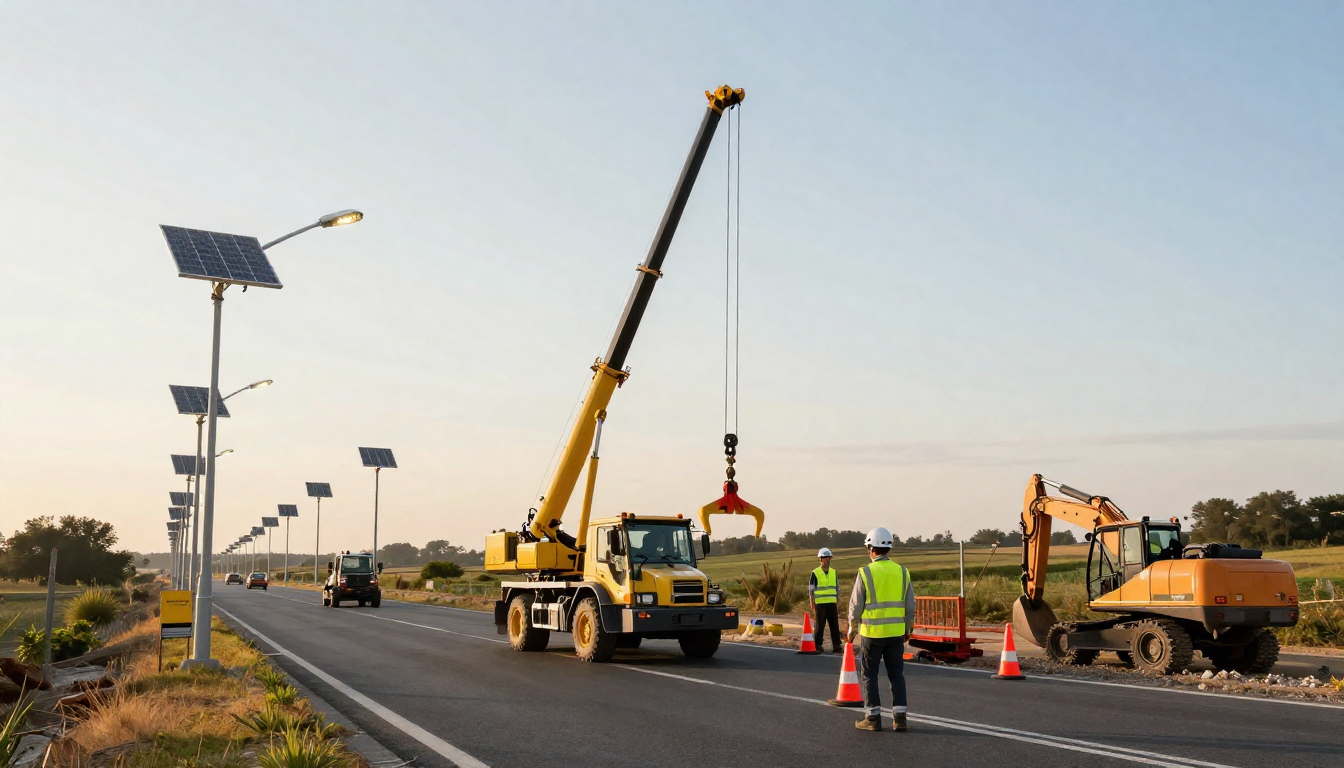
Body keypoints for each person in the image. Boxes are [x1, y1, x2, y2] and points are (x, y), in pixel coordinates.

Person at [846, 526, 915, 732]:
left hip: (871, 634)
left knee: (869, 674)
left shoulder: (865, 572)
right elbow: (910, 605)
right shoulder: (902, 571)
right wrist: (907, 629)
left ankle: (873, 718)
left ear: (870, 548)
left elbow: (856, 605)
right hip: (895, 633)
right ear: (889, 549)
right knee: (896, 674)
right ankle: (900, 718)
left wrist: (851, 629)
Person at [808, 548, 843, 652]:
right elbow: (811, 589)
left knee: (834, 625)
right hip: (820, 604)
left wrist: (838, 602)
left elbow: (837, 588)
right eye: (826, 558)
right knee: (820, 625)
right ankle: (818, 645)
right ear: (821, 559)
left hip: (832, 603)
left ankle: (837, 645)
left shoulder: (833, 572)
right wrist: (812, 602)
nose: (828, 560)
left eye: (829, 558)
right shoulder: (815, 573)